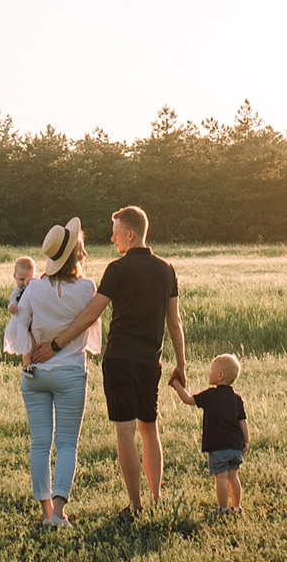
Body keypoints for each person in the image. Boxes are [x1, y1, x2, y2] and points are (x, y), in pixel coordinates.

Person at [27, 205, 186, 515]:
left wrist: (57, 344)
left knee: (125, 430)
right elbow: (174, 322)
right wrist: (181, 363)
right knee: (149, 428)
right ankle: (156, 501)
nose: (113, 240)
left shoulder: (117, 269)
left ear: (130, 233)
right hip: (150, 362)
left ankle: (136, 506)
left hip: (119, 360)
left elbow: (90, 314)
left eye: (116, 234)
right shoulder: (167, 269)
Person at [6, 219, 99, 528]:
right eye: (81, 249)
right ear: (74, 255)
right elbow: (89, 325)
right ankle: (58, 514)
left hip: (35, 375)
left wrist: (29, 358)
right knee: (68, 444)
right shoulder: (87, 288)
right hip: (71, 373)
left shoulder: (33, 289)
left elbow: (21, 326)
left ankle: (46, 512)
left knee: (40, 444)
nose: (84, 254)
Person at [172, 353, 250, 515]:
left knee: (221, 477)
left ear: (220, 375)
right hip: (235, 446)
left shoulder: (210, 395)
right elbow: (243, 421)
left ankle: (222, 509)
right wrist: (246, 441)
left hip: (219, 445)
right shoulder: (237, 399)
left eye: (211, 370)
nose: (209, 372)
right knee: (233, 476)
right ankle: (236, 508)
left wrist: (176, 384)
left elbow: (188, 399)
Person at [2, 255, 37, 357]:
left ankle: (36, 363)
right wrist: (11, 307)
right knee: (26, 345)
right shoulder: (16, 294)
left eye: (29, 278)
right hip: (23, 323)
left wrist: (32, 282)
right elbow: (13, 302)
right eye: (21, 279)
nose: (24, 282)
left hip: (36, 321)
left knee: (36, 343)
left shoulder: (35, 286)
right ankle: (27, 366)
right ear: (14, 277)